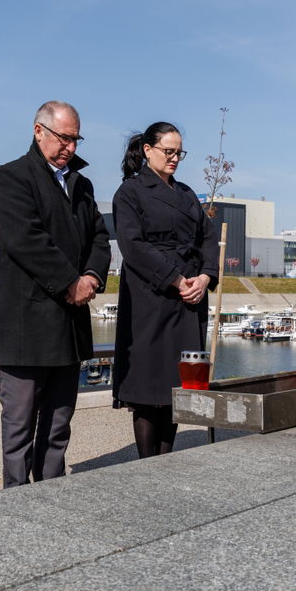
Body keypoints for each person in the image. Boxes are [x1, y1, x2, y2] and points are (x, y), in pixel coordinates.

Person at [0, 100, 111, 488]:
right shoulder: (11, 177)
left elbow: (100, 238)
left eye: (76, 140)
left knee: (59, 423)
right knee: (20, 426)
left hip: (69, 326)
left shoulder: (81, 184)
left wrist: (91, 276)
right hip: (26, 326)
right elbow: (26, 240)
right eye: (64, 138)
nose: (70, 147)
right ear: (39, 130)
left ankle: (52, 492)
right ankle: (15, 498)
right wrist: (70, 283)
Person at [112, 122, 219, 458]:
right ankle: (147, 465)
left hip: (189, 299)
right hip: (151, 296)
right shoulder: (129, 192)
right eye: (168, 151)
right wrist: (175, 279)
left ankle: (166, 460)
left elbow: (209, 237)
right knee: (148, 385)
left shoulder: (187, 194)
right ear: (148, 150)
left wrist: (205, 277)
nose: (174, 158)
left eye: (179, 153)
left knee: (176, 384)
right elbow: (133, 246)